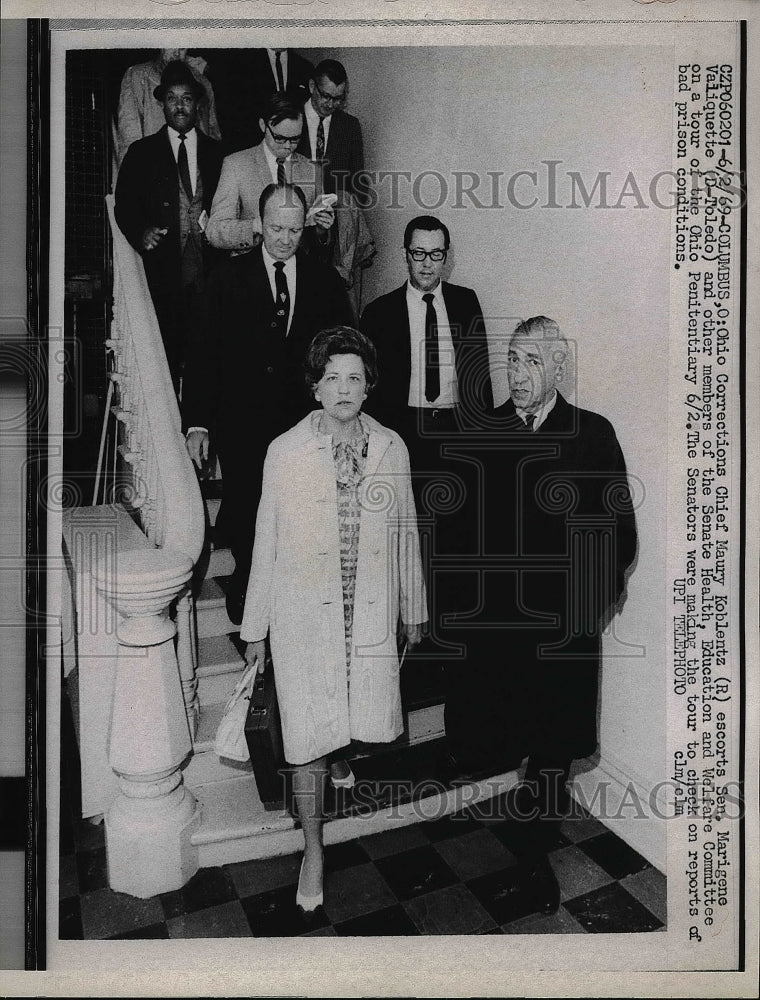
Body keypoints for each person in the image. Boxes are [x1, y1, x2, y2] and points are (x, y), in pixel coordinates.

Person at [239, 326, 427, 913]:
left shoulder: (392, 448)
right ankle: (314, 848)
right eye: (332, 378)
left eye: (355, 377)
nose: (343, 388)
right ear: (315, 387)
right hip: (302, 613)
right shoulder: (285, 451)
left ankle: (339, 753)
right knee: (307, 735)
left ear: (369, 386)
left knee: (347, 710)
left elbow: (405, 532)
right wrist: (255, 630)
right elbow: (265, 539)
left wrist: (413, 607)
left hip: (366, 605)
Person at [475, 315, 638, 913]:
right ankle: (529, 837)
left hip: (564, 628)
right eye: (513, 361)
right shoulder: (488, 426)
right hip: (502, 626)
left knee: (551, 746)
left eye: (532, 363)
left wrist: (586, 608)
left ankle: (535, 865)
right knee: (513, 733)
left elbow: (620, 531)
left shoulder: (593, 434)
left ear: (559, 369)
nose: (518, 375)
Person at [360, 215, 493, 774]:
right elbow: (368, 389)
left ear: (447, 257)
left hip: (454, 435)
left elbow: (479, 380)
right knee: (402, 541)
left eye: (437, 255)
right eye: (418, 254)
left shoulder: (465, 303)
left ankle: (440, 652)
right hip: (403, 433)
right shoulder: (379, 313)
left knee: (450, 547)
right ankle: (402, 650)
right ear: (405, 255)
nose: (427, 264)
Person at [183, 184, 352, 624]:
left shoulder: (325, 280)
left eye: (294, 229)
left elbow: (342, 351)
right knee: (246, 507)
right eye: (275, 227)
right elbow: (203, 353)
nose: (284, 238)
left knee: (300, 511)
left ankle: (291, 597)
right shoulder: (225, 279)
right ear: (261, 223)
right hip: (241, 423)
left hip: (304, 426)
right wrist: (198, 422)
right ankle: (247, 591)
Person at [114, 59, 224, 388]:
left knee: (208, 352)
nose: (179, 106)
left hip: (209, 268)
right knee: (166, 351)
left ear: (197, 103)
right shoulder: (141, 153)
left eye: (187, 98)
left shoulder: (217, 153)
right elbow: (124, 205)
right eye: (172, 98)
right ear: (162, 103)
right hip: (165, 270)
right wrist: (140, 232)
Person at [205, 92, 335, 254]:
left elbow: (317, 244)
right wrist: (255, 226)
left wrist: (322, 230)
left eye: (295, 139)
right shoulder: (236, 165)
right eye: (280, 138)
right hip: (250, 270)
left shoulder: (312, 170)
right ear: (263, 125)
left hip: (296, 270)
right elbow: (214, 231)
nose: (288, 146)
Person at [115, 48, 220, 166]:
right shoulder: (137, 76)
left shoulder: (203, 81)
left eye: (182, 48)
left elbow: (213, 131)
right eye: (171, 46)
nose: (176, 53)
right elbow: (129, 137)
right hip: (154, 168)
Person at [208, 48, 313, 154]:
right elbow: (230, 114)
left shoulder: (304, 67)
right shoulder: (241, 62)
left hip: (291, 152)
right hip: (251, 151)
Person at [297, 59, 364, 196]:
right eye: (326, 96)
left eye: (338, 98)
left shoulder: (350, 126)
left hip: (336, 212)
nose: (331, 104)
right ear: (311, 86)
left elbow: (358, 183)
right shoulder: (290, 118)